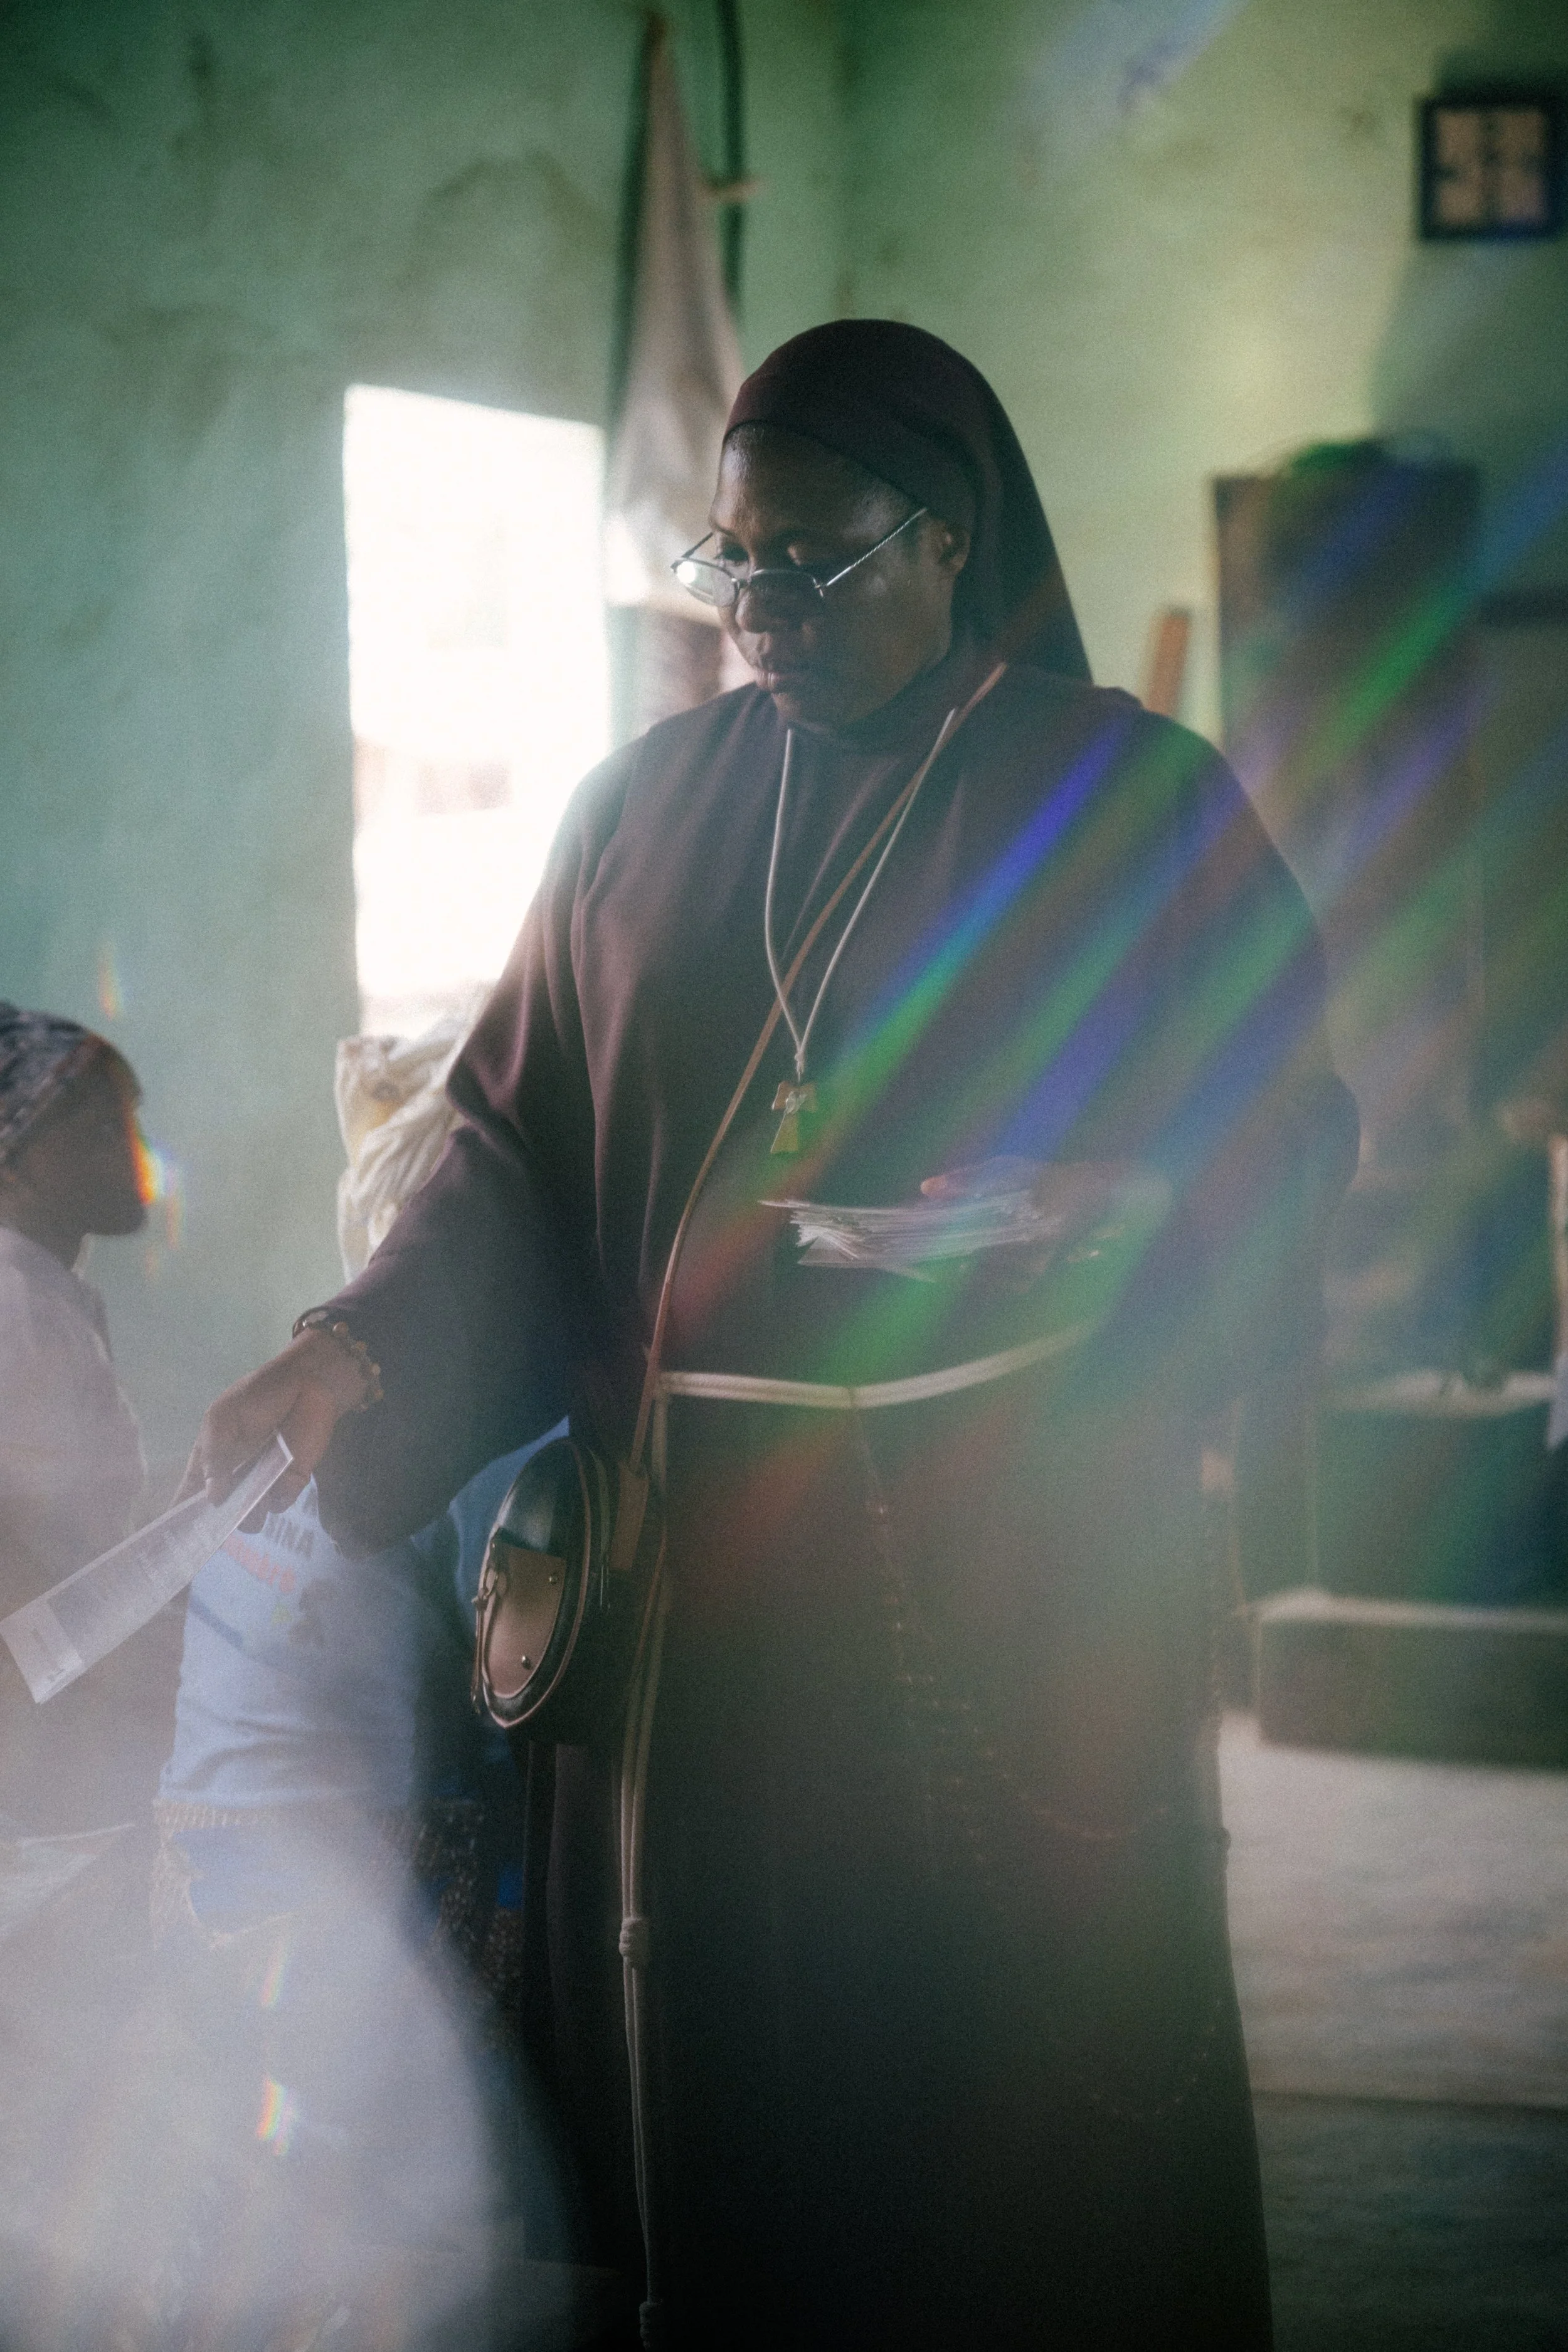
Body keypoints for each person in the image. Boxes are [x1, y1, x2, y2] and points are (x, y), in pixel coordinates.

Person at [190, 322, 1359, 2349]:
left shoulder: (1123, 796)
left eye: (809, 563)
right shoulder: (638, 811)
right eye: (729, 564)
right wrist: (360, 1347)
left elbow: (1284, 1123)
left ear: (946, 541)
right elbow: (505, 1145)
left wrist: (1133, 1214)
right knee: (738, 2072)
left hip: (1011, 1550)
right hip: (706, 1576)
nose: (758, 615)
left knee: (1009, 2080)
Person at [0, 1005, 161, 1831]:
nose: (125, 1138)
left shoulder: (52, 1296)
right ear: (12, 1157)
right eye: (91, 1121)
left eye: (128, 1111)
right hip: (35, 1758)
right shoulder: (15, 1309)